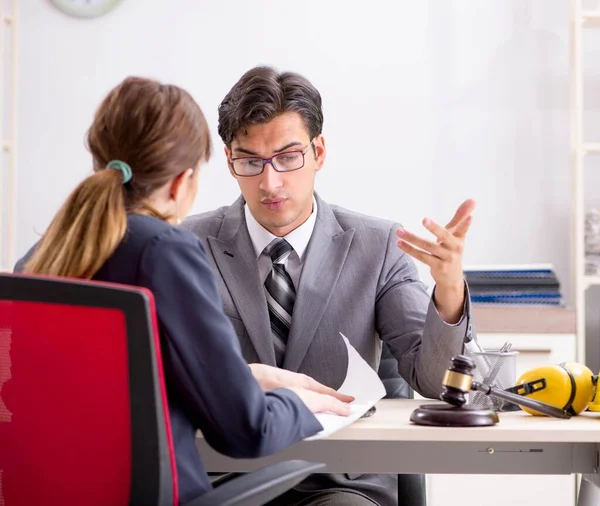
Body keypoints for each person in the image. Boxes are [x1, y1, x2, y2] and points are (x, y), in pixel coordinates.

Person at [13, 76, 354, 505]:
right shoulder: (163, 250)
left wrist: (245, 376)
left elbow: (104, 385)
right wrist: (297, 402)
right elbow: (246, 431)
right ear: (181, 182)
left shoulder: (42, 255)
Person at [181, 66, 476, 506]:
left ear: (318, 152)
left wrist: (449, 288)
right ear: (229, 161)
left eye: (287, 157)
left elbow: (436, 383)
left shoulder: (378, 247)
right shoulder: (186, 245)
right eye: (249, 161)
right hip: (224, 477)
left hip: (338, 481)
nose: (270, 182)